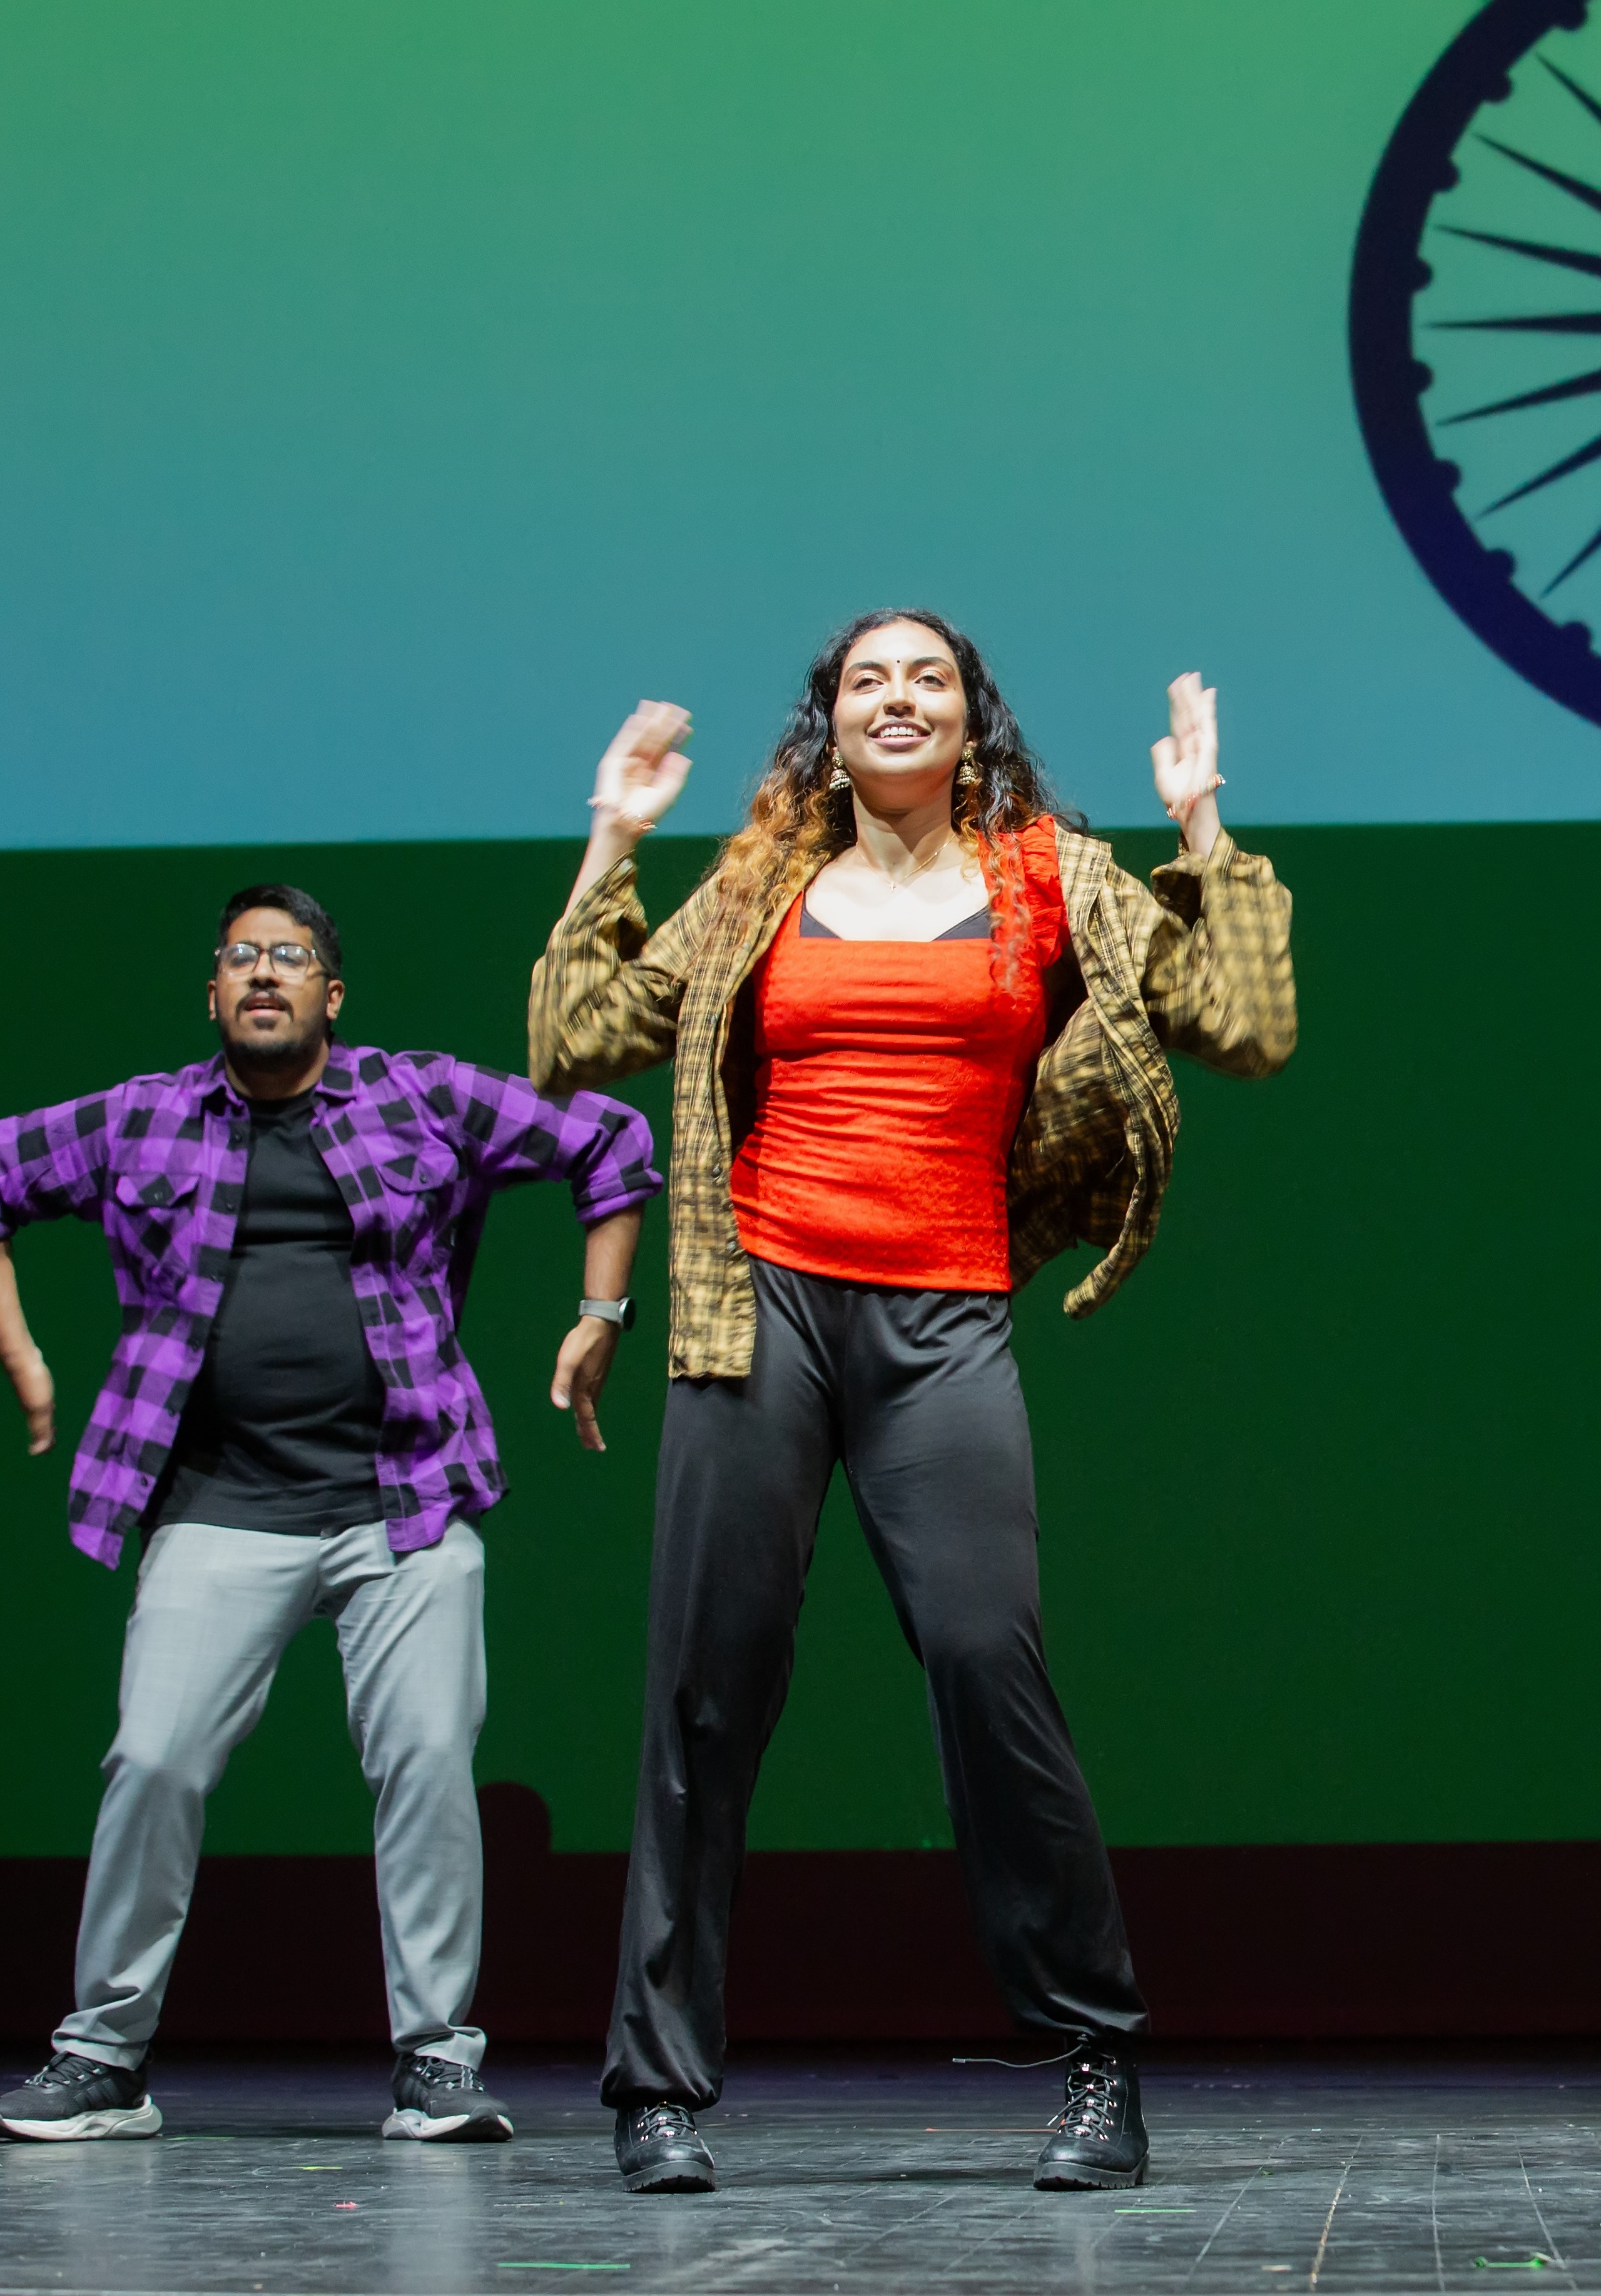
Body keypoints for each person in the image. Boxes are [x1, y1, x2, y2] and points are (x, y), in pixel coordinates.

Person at [529, 610, 1296, 2197]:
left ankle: (1094, 2056)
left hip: (944, 1315)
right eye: (865, 680)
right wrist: (612, 842)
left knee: (984, 1663)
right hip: (757, 1308)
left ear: (969, 718)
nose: (896, 698)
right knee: (703, 1693)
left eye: (926, 678)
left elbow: (1248, 1026)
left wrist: (1203, 825)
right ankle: (656, 2086)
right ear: (828, 722)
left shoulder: (1051, 875)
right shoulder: (757, 884)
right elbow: (573, 1043)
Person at [0, 886, 661, 2145]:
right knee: (153, 1759)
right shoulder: (146, 1117)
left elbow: (610, 1142)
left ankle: (436, 2061)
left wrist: (600, 1318)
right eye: (241, 957)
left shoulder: (417, 1096)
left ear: (333, 993)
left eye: (291, 956)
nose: (264, 973)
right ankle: (102, 2058)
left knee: (426, 1764)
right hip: (218, 1505)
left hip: (405, 1501)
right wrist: (23, 1358)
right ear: (212, 993)